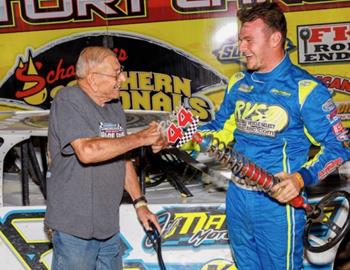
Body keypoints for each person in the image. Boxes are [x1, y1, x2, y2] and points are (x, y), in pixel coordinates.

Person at [183, 2, 350, 269]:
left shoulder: (305, 90)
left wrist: (300, 178)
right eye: (240, 39)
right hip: (238, 196)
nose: (242, 47)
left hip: (277, 205)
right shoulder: (238, 83)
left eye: (249, 40)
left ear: (275, 39)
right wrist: (182, 134)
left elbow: (338, 147)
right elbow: (218, 133)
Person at [45, 46, 168, 270]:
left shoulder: (113, 105)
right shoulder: (68, 99)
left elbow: (122, 157)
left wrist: (140, 203)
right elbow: (87, 151)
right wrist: (139, 138)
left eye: (121, 71)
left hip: (107, 226)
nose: (123, 78)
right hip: (75, 229)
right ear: (93, 78)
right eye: (116, 73)